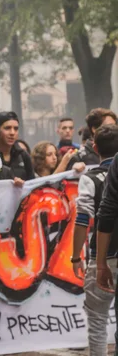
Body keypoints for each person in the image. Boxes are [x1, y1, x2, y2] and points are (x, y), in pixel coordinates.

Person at [71, 125, 118, 356]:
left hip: (102, 256)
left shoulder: (90, 179)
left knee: (98, 321)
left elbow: (83, 218)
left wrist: (75, 255)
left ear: (95, 147)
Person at [0, 111, 35, 181]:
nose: (12, 133)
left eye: (16, 129)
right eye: (7, 128)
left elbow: (32, 182)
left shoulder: (23, 155)